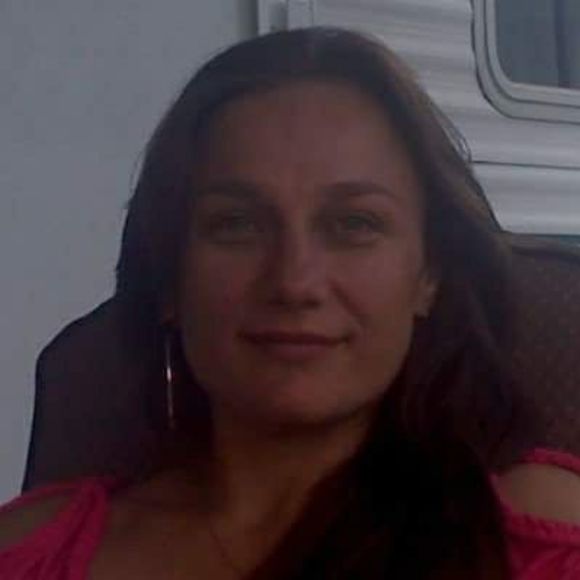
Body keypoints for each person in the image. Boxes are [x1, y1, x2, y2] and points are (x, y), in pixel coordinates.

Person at [1, 27, 580, 580]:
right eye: (237, 224)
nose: (295, 282)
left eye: (354, 224)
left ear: (428, 275)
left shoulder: (540, 539)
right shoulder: (25, 551)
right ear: (169, 280)